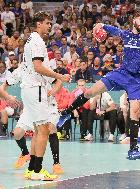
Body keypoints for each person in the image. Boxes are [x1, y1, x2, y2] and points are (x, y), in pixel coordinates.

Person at [58, 10, 140, 160]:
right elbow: (113, 30)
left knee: (135, 111)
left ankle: (133, 149)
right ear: (134, 20)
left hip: (137, 80)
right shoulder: (126, 34)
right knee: (90, 93)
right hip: (121, 74)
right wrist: (101, 24)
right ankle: (66, 113)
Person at [10, 11, 70, 180]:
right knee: (43, 130)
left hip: (30, 89)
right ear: (38, 24)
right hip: (35, 89)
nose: (50, 26)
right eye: (47, 23)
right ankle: (38, 171)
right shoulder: (37, 41)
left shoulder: (32, 40)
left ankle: (31, 168)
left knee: (38, 130)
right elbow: (38, 66)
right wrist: (59, 76)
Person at [0, 64, 64, 175]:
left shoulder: (43, 67)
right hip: (31, 108)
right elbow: (3, 87)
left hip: (48, 106)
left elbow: (59, 81)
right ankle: (26, 154)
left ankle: (55, 163)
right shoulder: (22, 69)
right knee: (17, 133)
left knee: (50, 128)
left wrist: (53, 92)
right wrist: (8, 97)